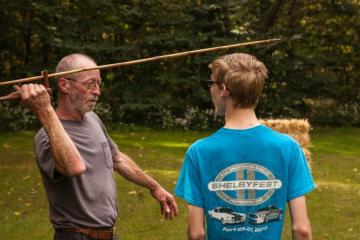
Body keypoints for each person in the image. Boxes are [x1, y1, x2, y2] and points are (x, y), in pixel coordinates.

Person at [16, 53, 178, 240]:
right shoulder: (46, 136)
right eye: (89, 84)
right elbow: (74, 167)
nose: (97, 91)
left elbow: (116, 158)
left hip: (108, 234)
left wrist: (154, 186)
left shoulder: (92, 119)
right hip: (77, 236)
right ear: (64, 85)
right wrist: (45, 110)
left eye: (98, 84)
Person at [174, 53, 315, 240]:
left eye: (211, 84)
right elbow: (301, 230)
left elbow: (196, 233)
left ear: (223, 89)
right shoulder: (289, 147)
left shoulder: (199, 152)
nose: (210, 90)